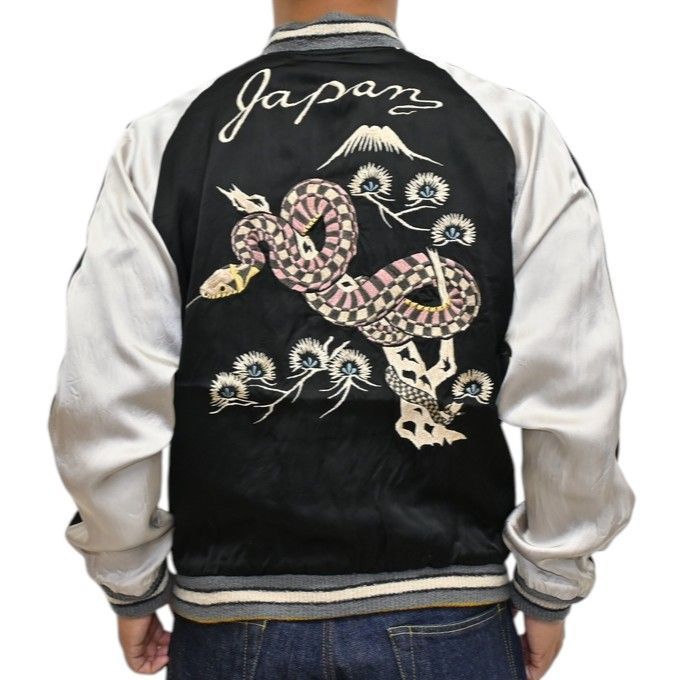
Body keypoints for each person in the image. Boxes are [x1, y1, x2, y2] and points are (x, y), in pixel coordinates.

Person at [47, 1, 635, 678]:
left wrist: (129, 575)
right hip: (452, 614)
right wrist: (552, 578)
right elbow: (576, 380)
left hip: (231, 619)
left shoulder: (163, 140)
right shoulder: (511, 129)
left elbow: (103, 394)